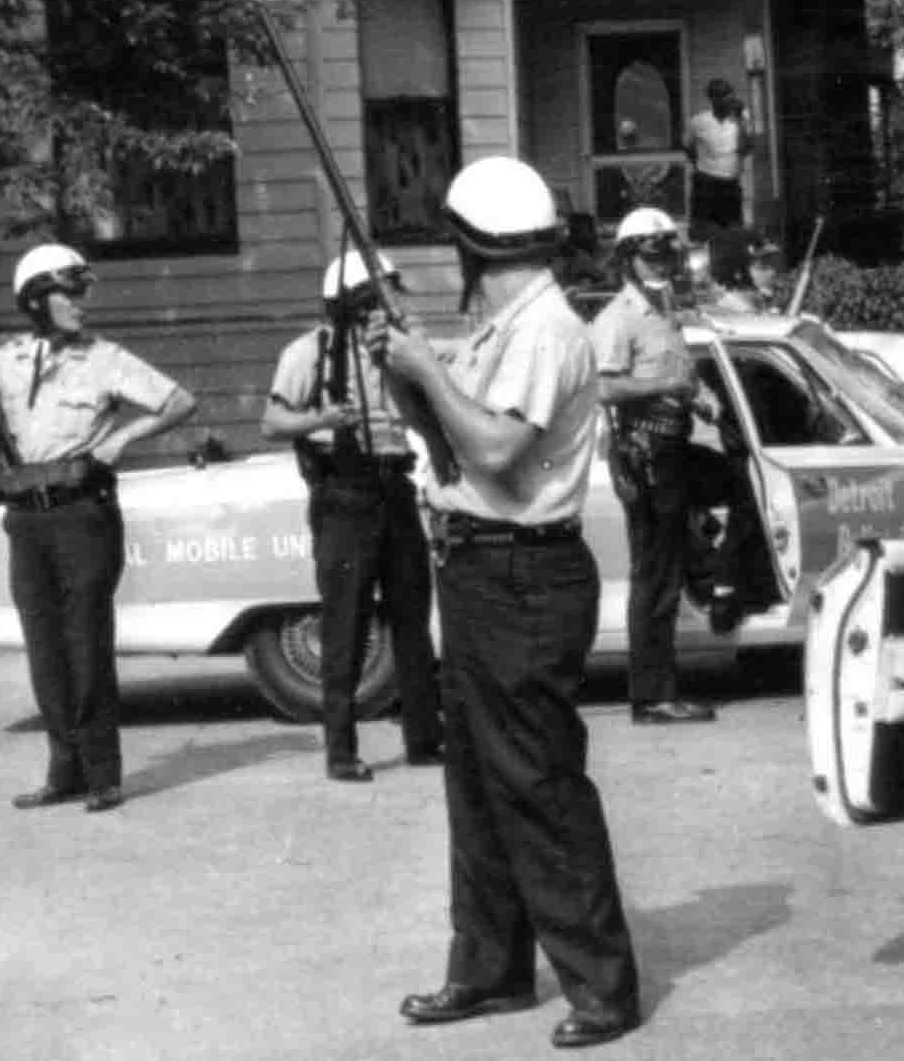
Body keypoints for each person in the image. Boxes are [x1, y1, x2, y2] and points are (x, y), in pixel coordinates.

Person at [369, 157, 641, 1049]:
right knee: (479, 784)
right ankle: (488, 971)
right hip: (482, 568)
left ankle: (602, 987)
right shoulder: (499, 328)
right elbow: (444, 445)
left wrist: (427, 367)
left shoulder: (542, 330)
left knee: (538, 783)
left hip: (521, 572)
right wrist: (406, 370)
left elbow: (492, 451)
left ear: (468, 245)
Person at [0, 243, 197, 813]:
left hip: (83, 514)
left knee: (85, 644)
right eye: (70, 291)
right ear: (37, 298)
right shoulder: (3, 362)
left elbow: (179, 400)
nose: (81, 302)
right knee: (44, 649)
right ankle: (62, 770)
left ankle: (103, 773)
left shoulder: (105, 359)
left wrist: (120, 440)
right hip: (27, 518)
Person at [259, 251, 442, 783]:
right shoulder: (310, 352)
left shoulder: (398, 349)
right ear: (353, 302)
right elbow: (272, 421)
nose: (388, 303)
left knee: (412, 613)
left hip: (394, 485)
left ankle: (424, 738)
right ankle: (341, 749)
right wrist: (320, 418)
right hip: (343, 493)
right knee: (346, 622)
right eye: (377, 295)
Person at [589, 207, 717, 725]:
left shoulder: (664, 310)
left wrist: (700, 398)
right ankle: (653, 695)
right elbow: (604, 387)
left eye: (667, 251)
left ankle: (717, 578)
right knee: (655, 577)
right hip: (646, 454)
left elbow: (681, 372)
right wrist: (666, 388)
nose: (662, 261)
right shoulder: (618, 318)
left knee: (738, 484)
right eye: (651, 253)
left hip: (675, 446)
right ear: (627, 258)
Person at [683, 77, 750, 238]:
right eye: (722, 95)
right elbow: (688, 147)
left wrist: (741, 121)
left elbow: (745, 149)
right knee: (703, 231)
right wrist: (702, 165)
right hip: (706, 185)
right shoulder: (698, 122)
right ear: (712, 99)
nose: (729, 99)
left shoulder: (742, 120)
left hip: (730, 184)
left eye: (729, 94)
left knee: (734, 231)